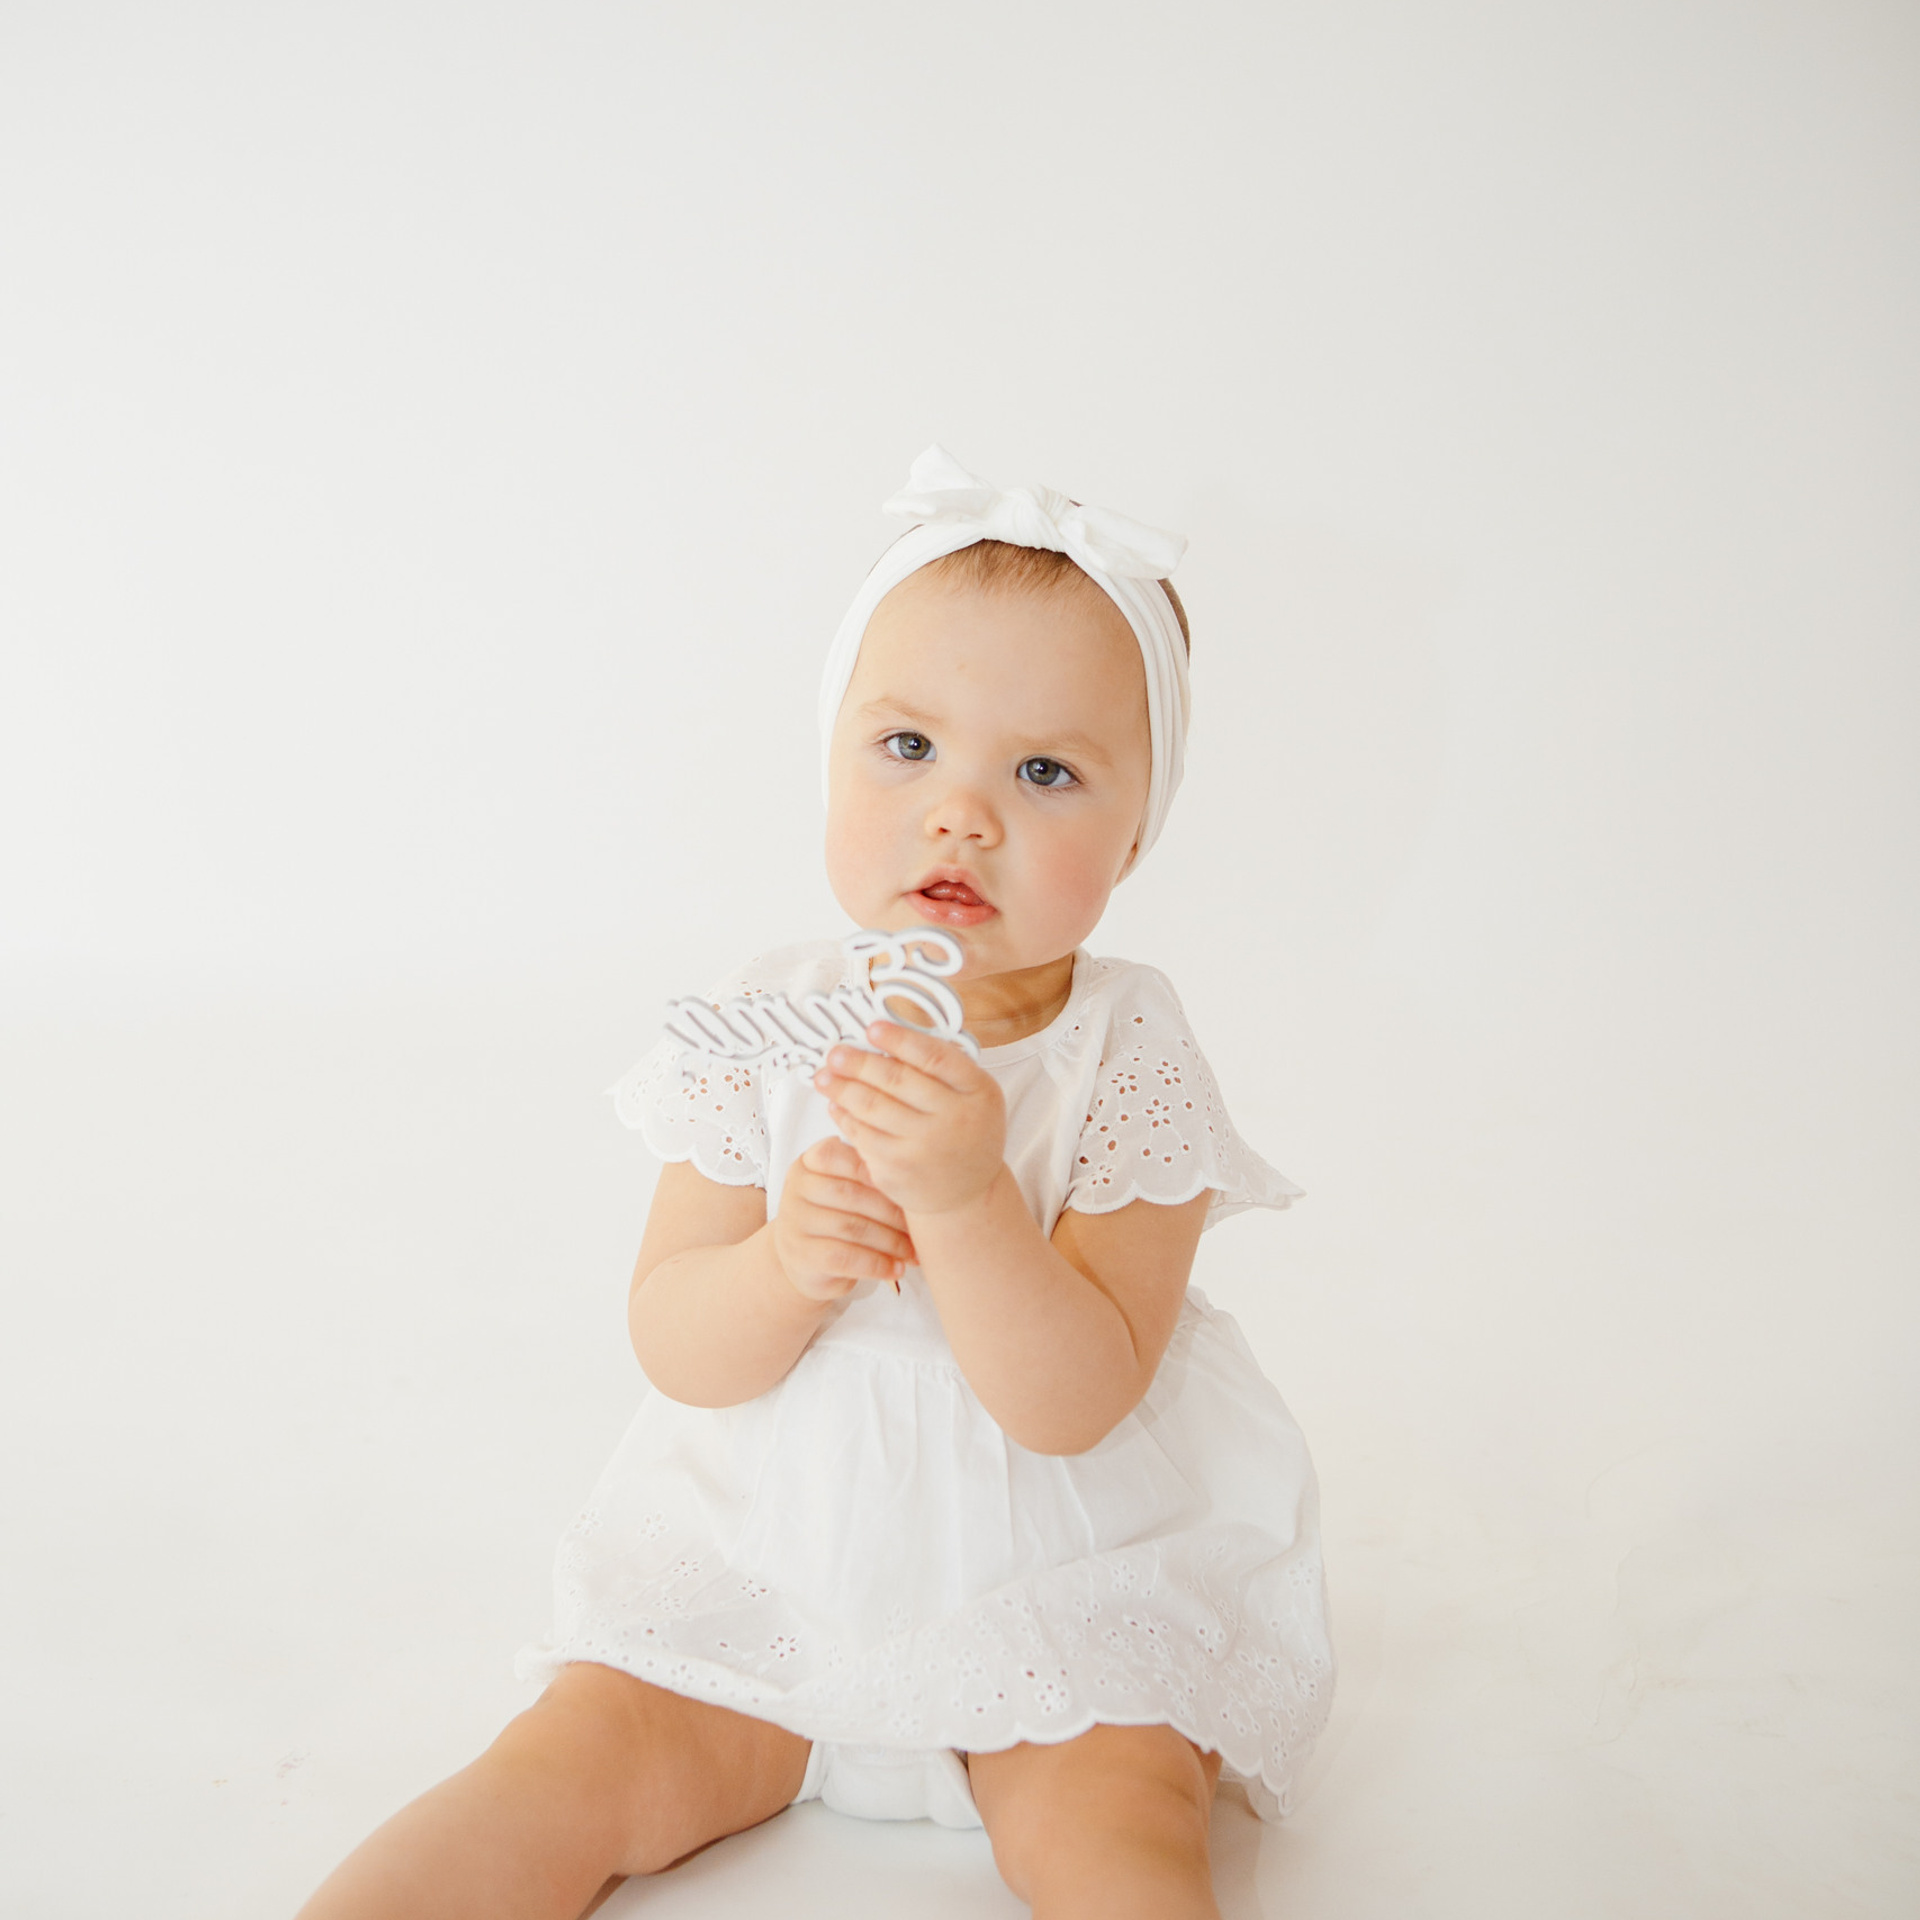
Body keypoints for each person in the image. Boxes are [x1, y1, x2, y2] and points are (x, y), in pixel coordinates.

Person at [296, 447, 1333, 1920]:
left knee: (1120, 1828)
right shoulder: (766, 1017)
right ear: (830, 754)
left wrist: (973, 1205)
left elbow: (1076, 1397)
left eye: (1045, 772)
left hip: (1056, 1603)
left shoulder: (1129, 1045)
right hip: (765, 1586)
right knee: (565, 1769)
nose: (963, 813)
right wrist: (785, 1264)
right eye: (907, 747)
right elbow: (673, 1340)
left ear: (1138, 827)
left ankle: (1097, 1806)